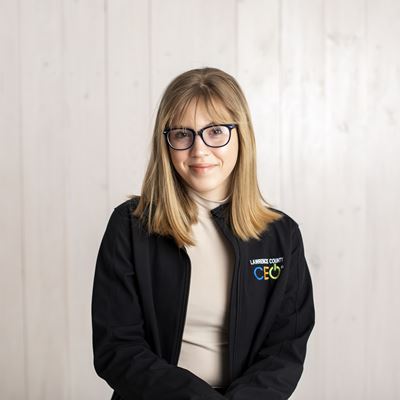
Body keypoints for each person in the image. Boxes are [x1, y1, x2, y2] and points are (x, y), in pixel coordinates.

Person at [91, 67, 315, 400]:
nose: (199, 150)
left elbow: (285, 350)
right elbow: (117, 349)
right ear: (166, 143)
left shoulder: (282, 236)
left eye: (215, 131)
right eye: (183, 134)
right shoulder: (130, 225)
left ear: (241, 135)